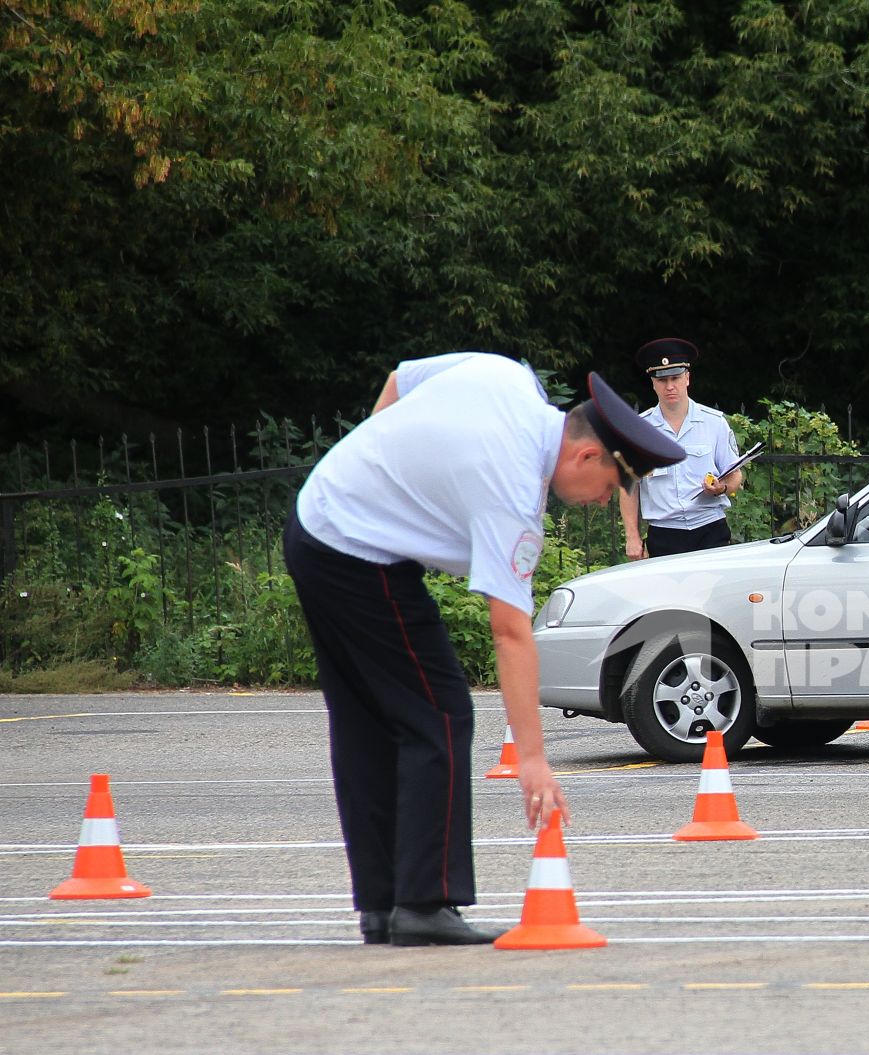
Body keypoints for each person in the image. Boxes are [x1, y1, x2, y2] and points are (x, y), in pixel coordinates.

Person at [285, 353, 684, 945]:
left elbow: (401, 377)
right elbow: (511, 631)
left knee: (366, 721)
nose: (605, 503)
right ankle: (423, 905)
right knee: (441, 713)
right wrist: (532, 759)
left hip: (316, 520)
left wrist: (369, 470)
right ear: (585, 455)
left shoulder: (505, 376)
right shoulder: (515, 492)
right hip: (358, 553)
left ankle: (384, 904)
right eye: (610, 488)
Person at [618, 337, 744, 558]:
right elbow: (628, 486)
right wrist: (632, 536)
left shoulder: (714, 423)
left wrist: (721, 488)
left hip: (710, 529)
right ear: (653, 383)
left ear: (687, 378)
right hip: (664, 533)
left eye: (675, 378)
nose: (669, 387)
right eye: (662, 380)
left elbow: (735, 475)